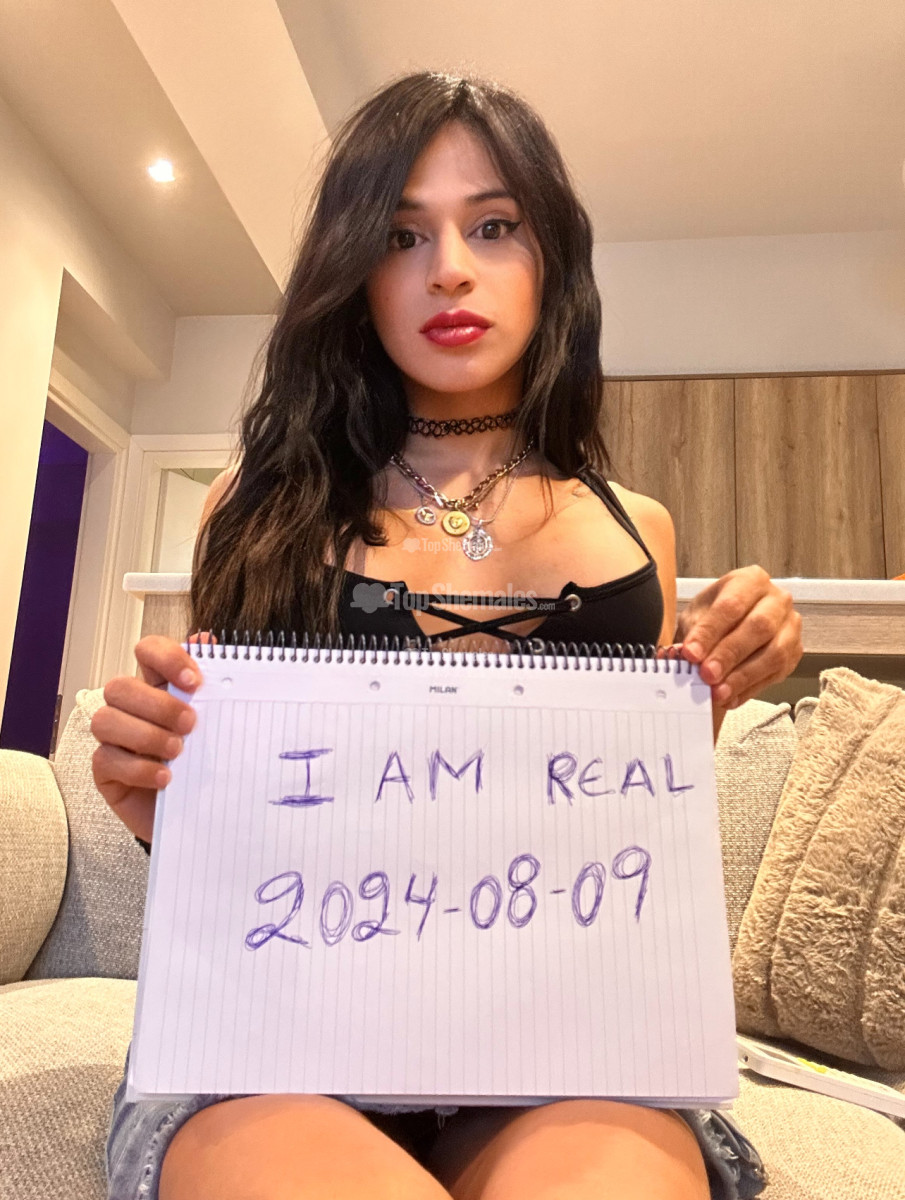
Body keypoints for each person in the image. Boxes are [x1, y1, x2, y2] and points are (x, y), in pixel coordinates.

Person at [93, 70, 801, 1200]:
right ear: (354, 272)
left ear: (551, 258)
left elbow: (609, 840)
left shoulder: (638, 529)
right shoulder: (255, 506)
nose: (449, 269)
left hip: (559, 1038)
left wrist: (703, 695)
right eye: (400, 234)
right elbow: (234, 837)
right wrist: (156, 804)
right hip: (278, 1034)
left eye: (494, 226)